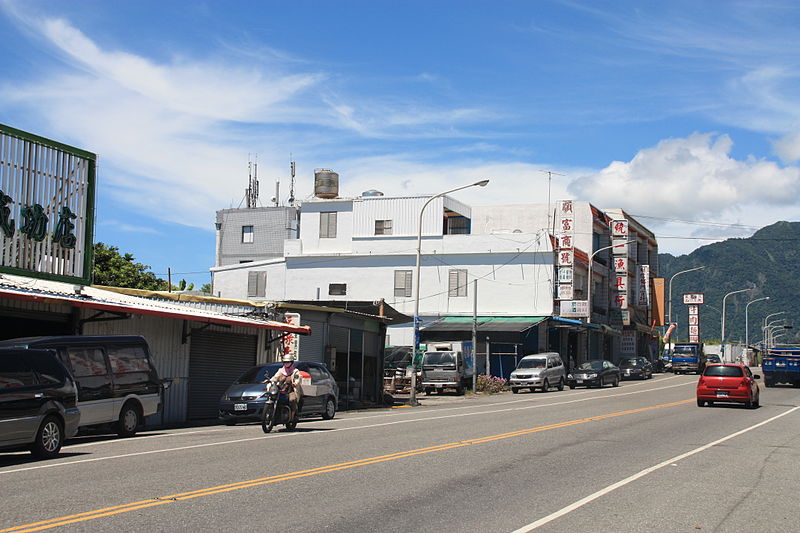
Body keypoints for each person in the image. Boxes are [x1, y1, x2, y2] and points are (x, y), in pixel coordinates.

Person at [266, 354, 302, 424]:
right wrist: (270, 380)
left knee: (292, 400)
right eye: (285, 362)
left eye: (288, 362)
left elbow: (298, 378)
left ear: (291, 362)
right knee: (272, 398)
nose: (286, 363)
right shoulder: (281, 370)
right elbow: (275, 377)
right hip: (280, 390)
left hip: (290, 390)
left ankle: (292, 415)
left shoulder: (295, 371)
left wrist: (296, 383)